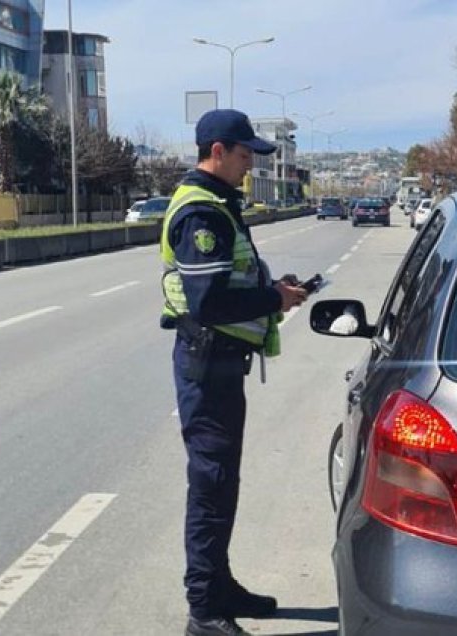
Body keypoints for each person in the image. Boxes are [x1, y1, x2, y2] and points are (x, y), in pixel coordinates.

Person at [160, 109, 308, 636]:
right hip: (207, 367)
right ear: (217, 152)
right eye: (245, 155)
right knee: (211, 484)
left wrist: (275, 291)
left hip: (222, 367)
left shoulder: (220, 202)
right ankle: (204, 610)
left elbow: (230, 283)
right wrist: (274, 297)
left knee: (222, 484)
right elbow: (209, 302)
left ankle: (221, 587)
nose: (250, 165)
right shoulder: (201, 213)